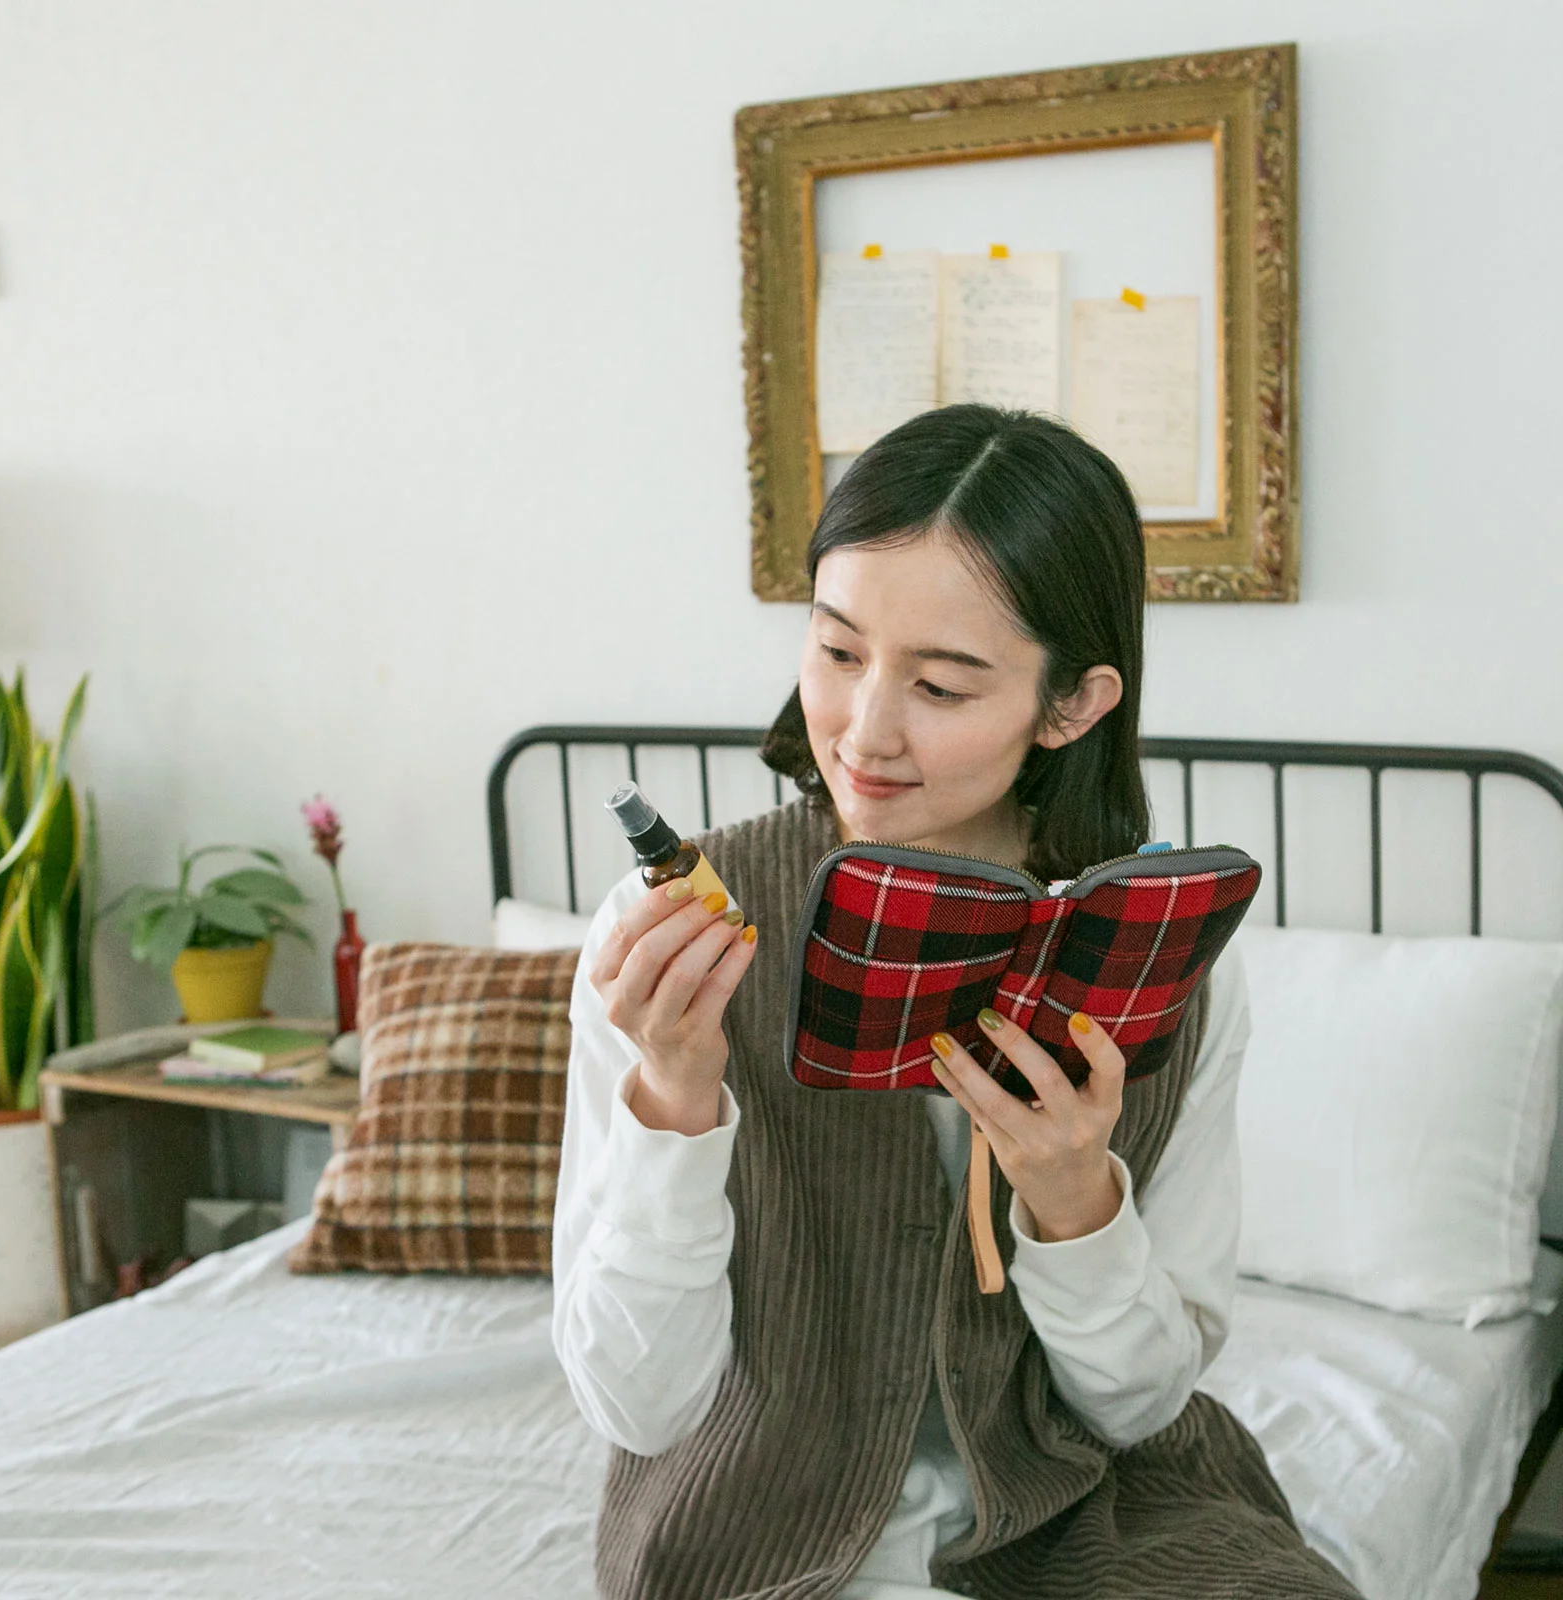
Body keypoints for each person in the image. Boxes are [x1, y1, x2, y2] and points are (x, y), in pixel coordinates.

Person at [551, 405, 1359, 1600]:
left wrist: (1074, 1199)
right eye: (837, 652)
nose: (864, 732)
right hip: (752, 1520)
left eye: (938, 684)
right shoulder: (666, 926)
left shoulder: (1169, 961)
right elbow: (638, 1404)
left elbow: (1140, 1406)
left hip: (1092, 1518)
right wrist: (673, 1098)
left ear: (1072, 704)